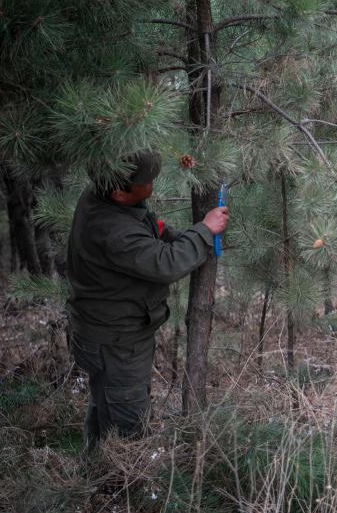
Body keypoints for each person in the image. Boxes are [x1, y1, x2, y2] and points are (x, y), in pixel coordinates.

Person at [66, 151, 229, 450]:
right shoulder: (113, 230)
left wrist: (174, 235)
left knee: (105, 403)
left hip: (101, 334)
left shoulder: (102, 191)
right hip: (116, 343)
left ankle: (94, 469)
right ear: (119, 193)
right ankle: (118, 487)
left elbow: (145, 232)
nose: (152, 184)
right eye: (147, 181)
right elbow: (165, 264)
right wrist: (204, 232)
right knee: (127, 426)